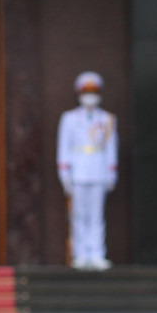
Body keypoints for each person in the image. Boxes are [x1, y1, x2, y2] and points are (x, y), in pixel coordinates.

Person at [57, 71, 118, 270]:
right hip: (78, 172)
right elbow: (64, 147)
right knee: (78, 216)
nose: (90, 95)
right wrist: (64, 173)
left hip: (98, 171)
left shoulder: (107, 119)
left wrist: (111, 172)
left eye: (93, 91)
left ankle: (97, 253)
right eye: (86, 91)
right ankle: (80, 254)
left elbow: (111, 147)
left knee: (96, 215)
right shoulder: (69, 118)